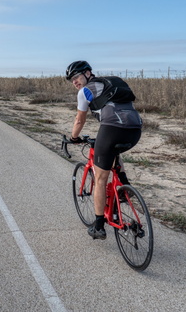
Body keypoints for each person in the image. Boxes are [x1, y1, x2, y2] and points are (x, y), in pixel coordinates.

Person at [66, 60, 142, 240]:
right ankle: (124, 186)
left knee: (100, 178)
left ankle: (99, 226)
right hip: (135, 129)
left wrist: (73, 138)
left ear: (87, 73)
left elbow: (79, 120)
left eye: (76, 77)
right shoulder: (110, 82)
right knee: (112, 153)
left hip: (112, 129)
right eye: (71, 80)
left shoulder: (84, 92)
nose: (75, 82)